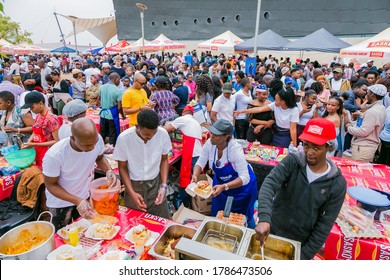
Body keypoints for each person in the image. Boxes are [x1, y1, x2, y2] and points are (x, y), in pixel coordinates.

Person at [255, 117, 346, 260]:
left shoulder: (336, 184)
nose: (309, 152)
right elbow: (269, 184)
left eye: (316, 148)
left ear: (329, 147)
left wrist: (303, 256)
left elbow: (324, 225)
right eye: (306, 145)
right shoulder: (293, 161)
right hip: (272, 229)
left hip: (299, 243)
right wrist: (264, 218)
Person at [42, 118, 116, 230]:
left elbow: (99, 157)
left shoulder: (96, 140)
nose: (91, 148)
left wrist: (108, 170)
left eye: (94, 144)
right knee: (64, 236)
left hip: (84, 195)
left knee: (86, 232)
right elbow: (51, 185)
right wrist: (77, 201)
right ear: (72, 138)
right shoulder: (55, 155)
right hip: (61, 202)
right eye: (87, 145)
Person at [192, 119, 258, 228]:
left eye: (216, 135)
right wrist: (195, 175)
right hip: (221, 185)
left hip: (242, 188)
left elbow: (245, 177)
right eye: (212, 133)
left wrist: (225, 186)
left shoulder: (235, 149)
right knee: (218, 214)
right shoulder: (210, 143)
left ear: (225, 137)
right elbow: (201, 161)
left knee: (242, 218)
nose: (211, 136)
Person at [114, 110, 171, 218]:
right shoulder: (124, 138)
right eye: (146, 134)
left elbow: (164, 160)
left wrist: (163, 185)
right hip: (134, 186)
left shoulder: (162, 134)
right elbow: (122, 167)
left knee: (160, 220)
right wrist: (131, 192)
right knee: (135, 222)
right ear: (137, 126)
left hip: (155, 184)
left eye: (153, 134)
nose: (150, 137)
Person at [164, 105, 202, 209]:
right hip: (198, 154)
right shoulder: (195, 122)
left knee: (186, 179)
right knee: (192, 180)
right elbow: (191, 140)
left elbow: (165, 129)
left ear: (183, 113)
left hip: (192, 155)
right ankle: (191, 203)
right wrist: (180, 146)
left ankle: (182, 203)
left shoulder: (183, 119)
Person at [346, 84, 387, 162]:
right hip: (366, 147)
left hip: (363, 148)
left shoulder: (372, 112)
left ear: (372, 94)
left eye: (368, 92)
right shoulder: (381, 107)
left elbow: (363, 131)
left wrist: (348, 127)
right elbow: (374, 121)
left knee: (358, 171)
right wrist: (361, 115)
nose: (366, 94)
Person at [21, 91, 60, 169]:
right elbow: (35, 131)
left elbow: (56, 141)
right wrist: (28, 142)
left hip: (49, 153)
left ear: (41, 103)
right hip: (38, 151)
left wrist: (34, 144)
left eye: (32, 107)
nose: (31, 110)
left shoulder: (51, 119)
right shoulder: (38, 116)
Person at [99, 72, 124, 146]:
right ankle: (111, 148)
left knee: (102, 132)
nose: (119, 82)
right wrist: (123, 115)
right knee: (112, 133)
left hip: (103, 114)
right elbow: (119, 107)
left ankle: (100, 147)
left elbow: (100, 99)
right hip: (112, 114)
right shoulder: (118, 90)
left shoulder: (101, 87)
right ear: (115, 79)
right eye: (119, 80)